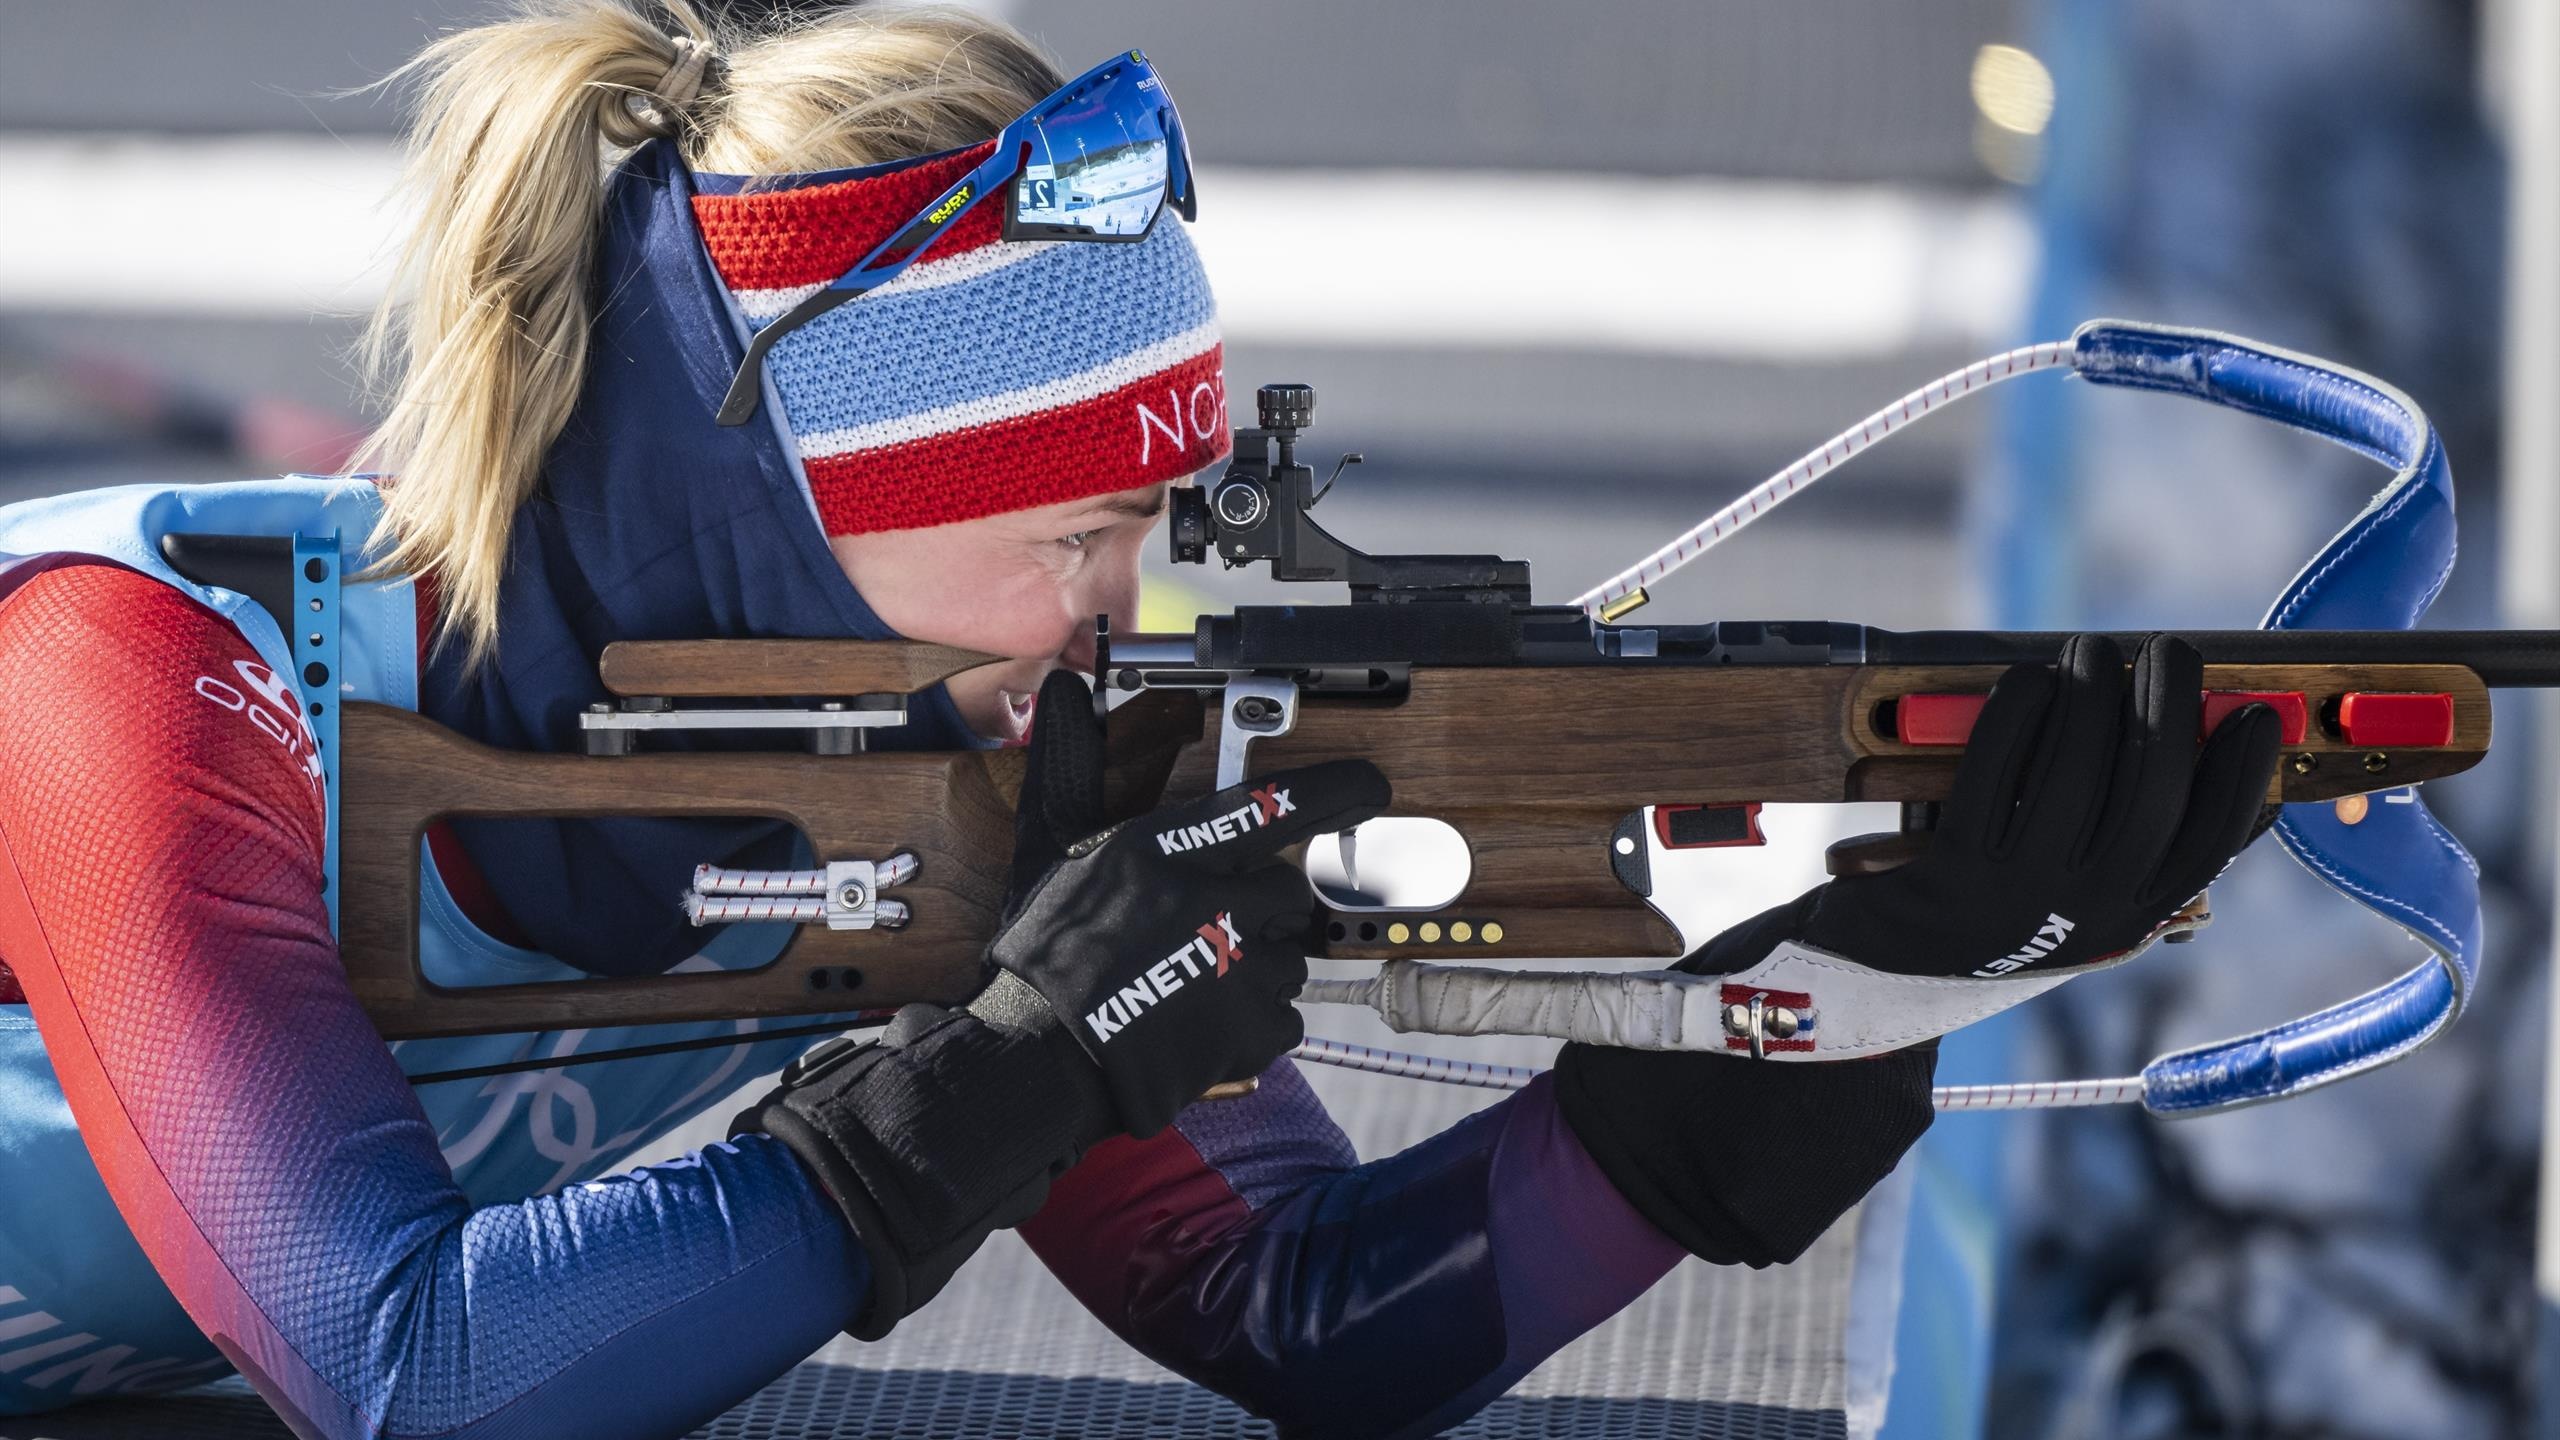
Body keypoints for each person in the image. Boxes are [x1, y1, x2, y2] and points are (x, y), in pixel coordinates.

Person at [0, 3, 2283, 1437]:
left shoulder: (957, 755)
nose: (1124, 614)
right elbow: (416, 1382)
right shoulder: (136, 678)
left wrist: (1801, 1039)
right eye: (1074, 530)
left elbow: (1303, 1317)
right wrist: (989, 1086)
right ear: (769, 485)